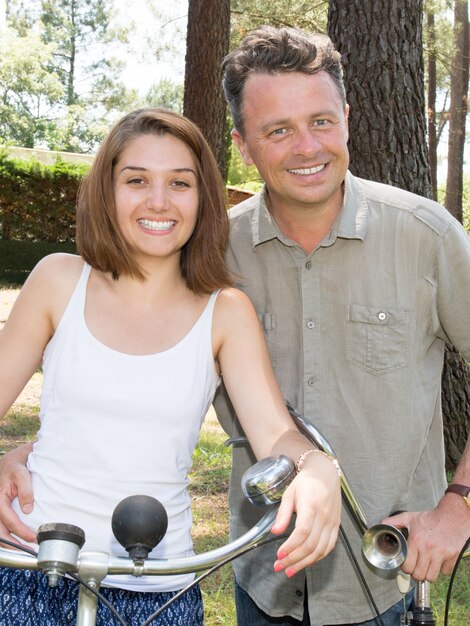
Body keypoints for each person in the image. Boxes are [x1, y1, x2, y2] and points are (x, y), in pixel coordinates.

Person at [0, 107, 342, 626]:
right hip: (31, 564)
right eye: (136, 180)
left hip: (159, 587)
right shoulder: (58, 281)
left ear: (202, 198)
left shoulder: (225, 311)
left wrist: (318, 466)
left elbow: (275, 435)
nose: (158, 201)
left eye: (179, 183)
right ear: (106, 192)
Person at [211, 25, 470, 626]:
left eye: (321, 121)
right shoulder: (212, 256)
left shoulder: (427, 238)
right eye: (278, 130)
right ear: (243, 145)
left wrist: (458, 507)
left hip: (388, 582)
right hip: (263, 579)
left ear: (348, 119)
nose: (307, 147)